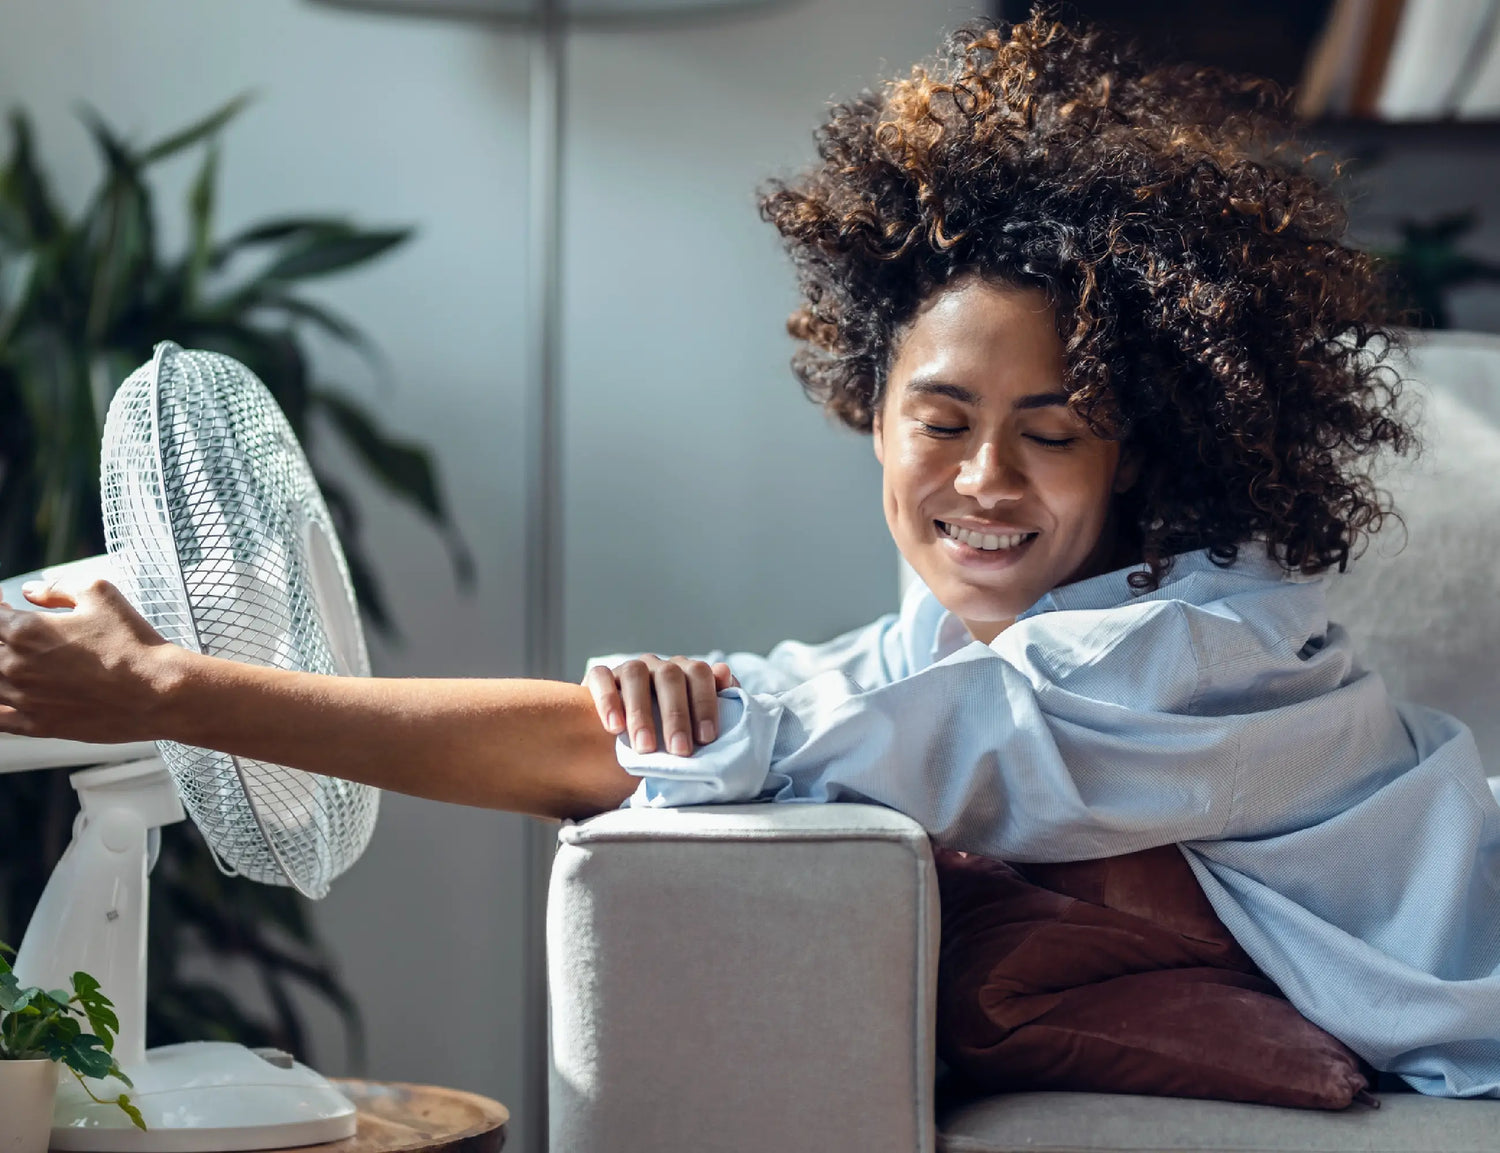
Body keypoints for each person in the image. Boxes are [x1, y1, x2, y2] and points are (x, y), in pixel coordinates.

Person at [1, 12, 1498, 1098]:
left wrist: (169, 685)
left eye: (1056, 427)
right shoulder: (926, 657)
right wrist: (687, 707)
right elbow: (720, 722)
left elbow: (625, 754)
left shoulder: (1195, 647)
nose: (986, 476)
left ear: (1139, 451)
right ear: (866, 408)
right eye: (941, 416)